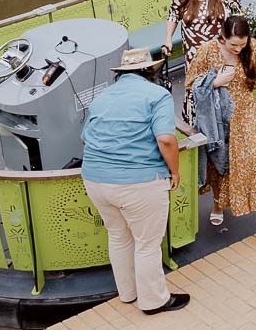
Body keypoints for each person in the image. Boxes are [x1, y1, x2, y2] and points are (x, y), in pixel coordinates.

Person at [80, 48, 189, 314]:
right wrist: (174, 172)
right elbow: (165, 139)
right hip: (138, 181)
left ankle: (127, 294)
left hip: (95, 179)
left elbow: (85, 137)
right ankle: (153, 301)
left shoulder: (101, 98)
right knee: (147, 243)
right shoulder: (157, 95)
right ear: (150, 71)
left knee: (118, 236)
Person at [185, 16, 256, 250]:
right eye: (233, 45)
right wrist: (216, 82)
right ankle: (218, 204)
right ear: (223, 37)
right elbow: (191, 82)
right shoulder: (208, 50)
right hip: (218, 118)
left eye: (242, 44)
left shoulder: (252, 47)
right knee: (221, 163)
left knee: (255, 164)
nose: (239, 49)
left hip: (246, 113)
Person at [164, 0, 244, 123]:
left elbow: (239, 19)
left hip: (220, 50)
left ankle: (223, 124)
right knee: (197, 85)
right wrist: (168, 39)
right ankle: (196, 124)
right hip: (193, 52)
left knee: (220, 85)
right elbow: (173, 15)